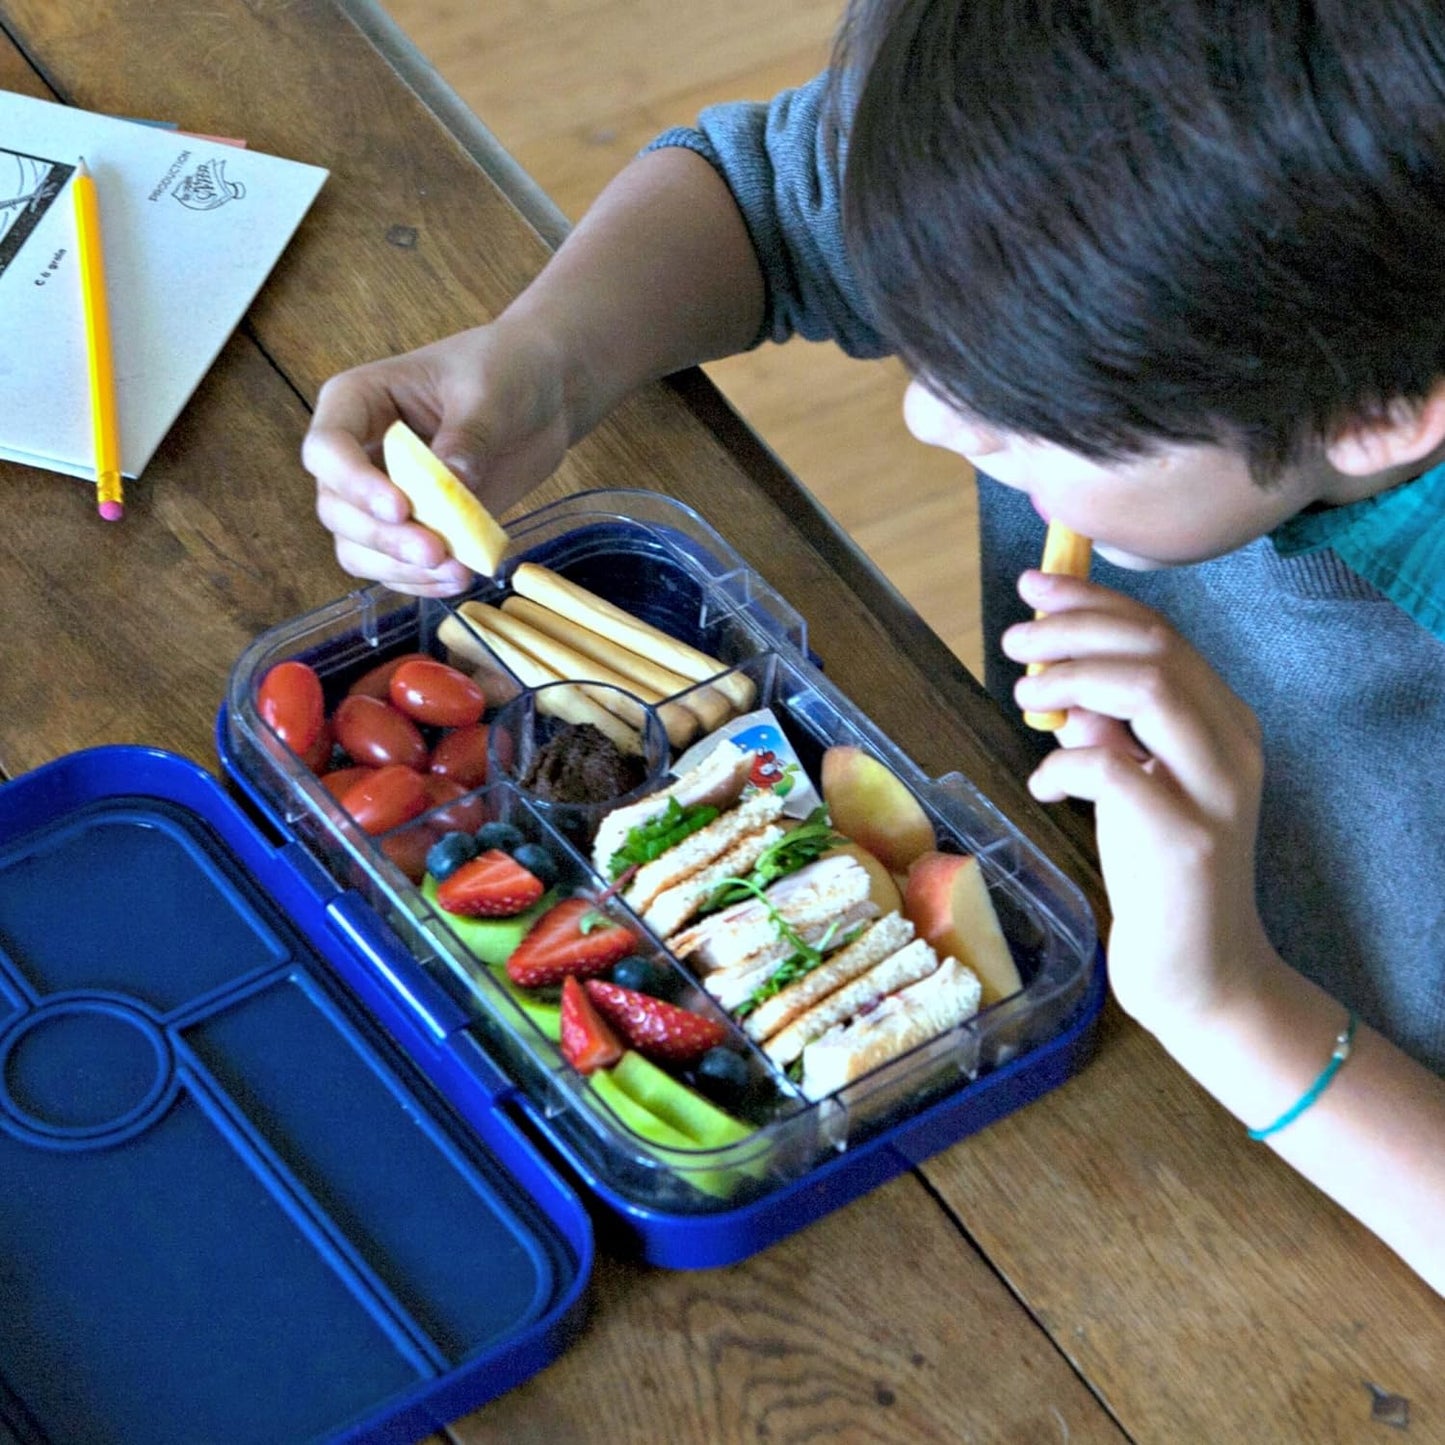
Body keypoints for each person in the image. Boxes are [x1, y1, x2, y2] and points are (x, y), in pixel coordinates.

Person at [303, 0, 1445, 1292]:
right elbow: (771, 200)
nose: (924, 411)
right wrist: (542, 365)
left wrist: (1227, 999)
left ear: (1377, 409)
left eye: (1018, 407)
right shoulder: (1144, 157)